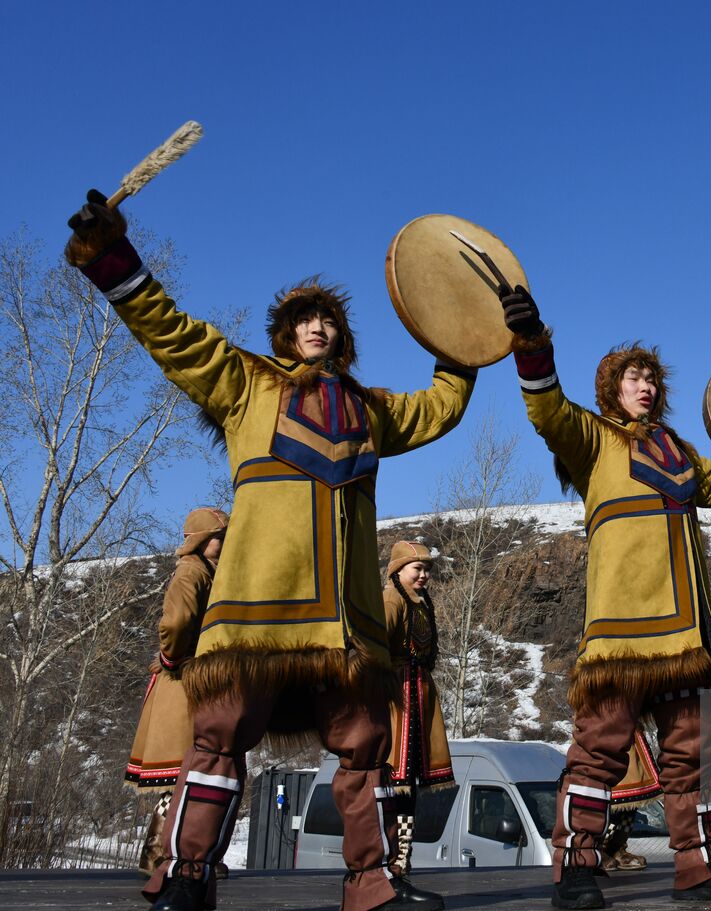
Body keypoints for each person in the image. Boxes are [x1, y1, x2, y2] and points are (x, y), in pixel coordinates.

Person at [64, 190, 476, 911]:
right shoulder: (244, 382)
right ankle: (189, 877)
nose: (317, 326)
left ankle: (369, 882)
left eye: (329, 320)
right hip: (252, 612)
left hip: (343, 625)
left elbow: (442, 404)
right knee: (219, 743)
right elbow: (170, 332)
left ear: (341, 338)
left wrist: (465, 338)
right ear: (285, 334)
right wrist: (111, 257)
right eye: (304, 319)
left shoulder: (371, 410)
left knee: (364, 747)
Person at [498, 285, 711, 907]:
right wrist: (533, 344)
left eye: (650, 378)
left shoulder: (679, 451)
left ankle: (699, 867)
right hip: (621, 635)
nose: (644, 386)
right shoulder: (591, 440)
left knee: (691, 756)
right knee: (598, 754)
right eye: (632, 377)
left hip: (688, 634)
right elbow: (546, 412)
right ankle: (576, 869)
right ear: (612, 389)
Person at [128, 508, 228, 878]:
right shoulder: (192, 572)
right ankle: (158, 857)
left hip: (199, 681)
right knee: (180, 773)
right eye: (220, 536)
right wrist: (173, 659)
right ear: (203, 540)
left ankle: (187, 857)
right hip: (184, 682)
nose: (225, 543)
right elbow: (175, 622)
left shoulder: (212, 574)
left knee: (196, 773)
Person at [381, 541, 452, 910]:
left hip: (416, 694)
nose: (423, 575)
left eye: (426, 569)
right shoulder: (392, 600)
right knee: (397, 783)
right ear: (397, 571)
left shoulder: (422, 603)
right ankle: (391, 864)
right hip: (399, 699)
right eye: (416, 568)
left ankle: (402, 862)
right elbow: (377, 645)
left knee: (410, 785)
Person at [600, 730, 663, 872]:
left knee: (633, 796)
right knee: (615, 797)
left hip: (629, 732)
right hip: (605, 732)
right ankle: (598, 847)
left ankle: (616, 847)